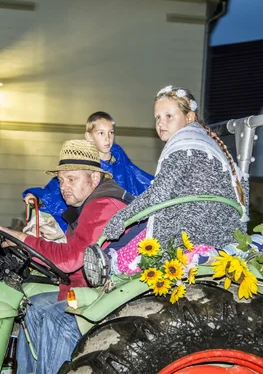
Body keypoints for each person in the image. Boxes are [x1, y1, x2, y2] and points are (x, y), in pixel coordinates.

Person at [0, 139, 131, 374]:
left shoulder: (102, 204)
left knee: (58, 317)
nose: (64, 187)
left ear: (94, 178)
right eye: (61, 180)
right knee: (31, 306)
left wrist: (21, 238)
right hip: (87, 287)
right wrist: (23, 246)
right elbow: (68, 259)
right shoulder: (86, 206)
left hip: (109, 291)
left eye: (72, 179)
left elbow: (70, 259)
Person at [103, 86, 250, 267]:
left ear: (189, 117)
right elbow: (243, 196)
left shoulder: (183, 145)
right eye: (157, 117)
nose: (160, 123)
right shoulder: (214, 147)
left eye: (168, 116)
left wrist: (120, 218)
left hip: (184, 237)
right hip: (224, 237)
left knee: (114, 260)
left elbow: (157, 196)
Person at [23, 111, 153, 233]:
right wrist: (38, 197)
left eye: (111, 133)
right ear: (89, 137)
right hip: (88, 224)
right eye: (101, 133)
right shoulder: (81, 161)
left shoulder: (121, 163)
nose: (107, 138)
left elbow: (139, 178)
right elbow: (59, 185)